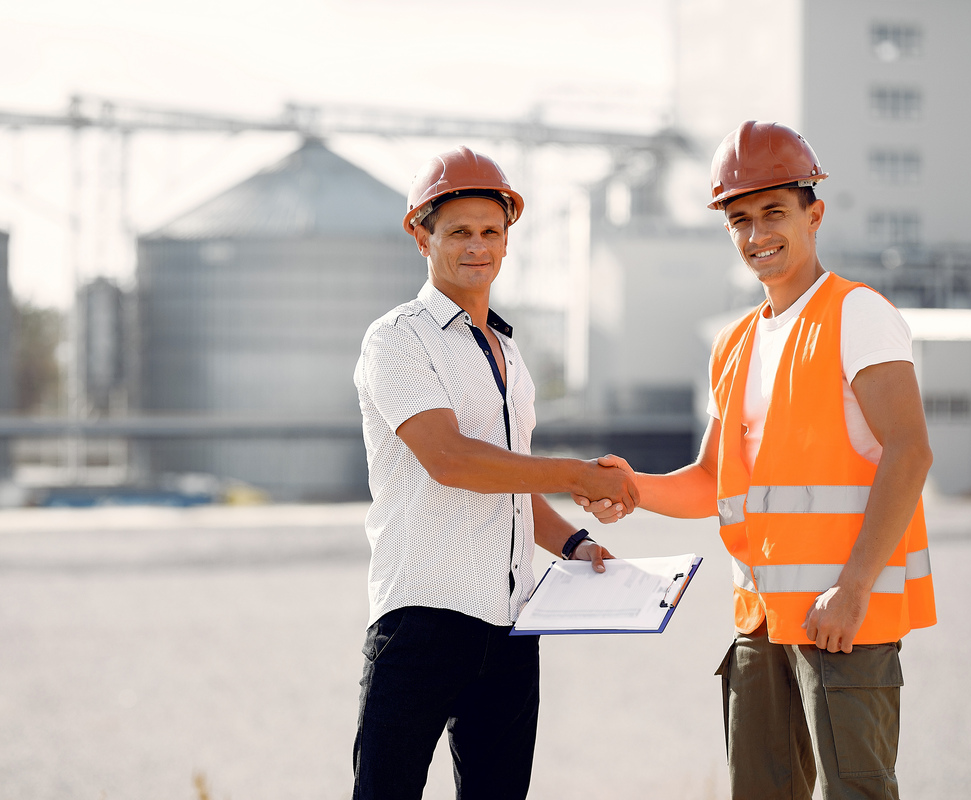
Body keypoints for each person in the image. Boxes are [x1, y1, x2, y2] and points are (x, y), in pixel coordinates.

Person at [576, 121, 937, 799]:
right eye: (739, 219)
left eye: (774, 213)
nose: (756, 234)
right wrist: (630, 486)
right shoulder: (736, 343)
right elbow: (713, 481)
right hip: (760, 620)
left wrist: (854, 588)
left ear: (814, 213)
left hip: (842, 621)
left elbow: (911, 451)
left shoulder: (857, 314)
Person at [351, 145, 638, 800]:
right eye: (458, 232)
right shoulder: (397, 338)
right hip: (422, 621)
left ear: (508, 239)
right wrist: (577, 474)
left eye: (490, 232)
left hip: (511, 627)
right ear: (420, 235)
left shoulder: (509, 353)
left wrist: (574, 542)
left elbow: (508, 485)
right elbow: (451, 461)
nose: (477, 247)